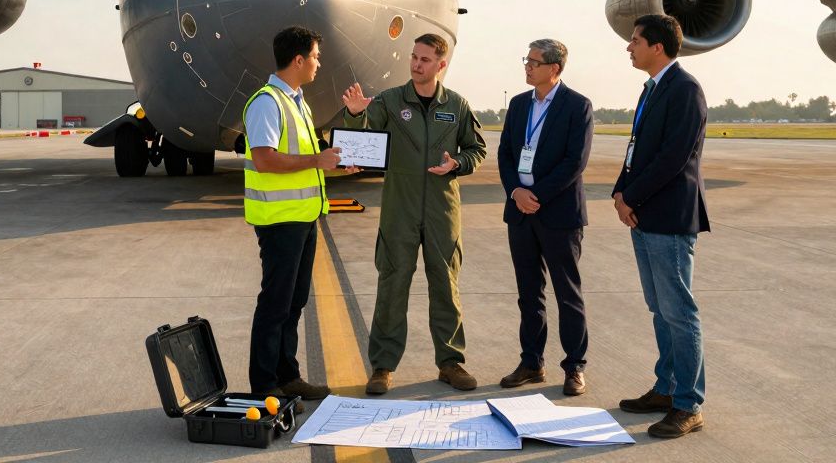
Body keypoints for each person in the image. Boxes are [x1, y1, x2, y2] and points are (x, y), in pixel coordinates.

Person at [341, 33, 487, 394]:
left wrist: (458, 163)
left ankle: (451, 362)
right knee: (392, 284)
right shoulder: (391, 101)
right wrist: (356, 113)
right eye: (414, 57)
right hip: (399, 208)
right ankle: (383, 367)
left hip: (442, 208)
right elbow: (360, 138)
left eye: (424, 60)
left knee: (446, 286)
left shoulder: (457, 104)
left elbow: (477, 149)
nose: (416, 64)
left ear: (441, 65)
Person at [242, 26, 353, 401]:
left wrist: (335, 162)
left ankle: (288, 376)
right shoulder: (267, 102)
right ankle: (265, 385)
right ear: (299, 59)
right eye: (317, 57)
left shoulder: (298, 101)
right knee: (275, 303)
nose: (320, 63)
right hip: (279, 220)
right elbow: (265, 159)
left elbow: (308, 155)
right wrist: (317, 160)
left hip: (304, 217)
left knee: (294, 302)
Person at [612, 13, 709, 439]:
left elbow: (674, 158)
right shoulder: (652, 89)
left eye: (635, 40)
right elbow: (636, 148)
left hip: (668, 216)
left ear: (657, 46)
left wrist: (632, 196)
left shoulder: (685, 90)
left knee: (679, 312)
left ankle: (689, 404)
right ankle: (667, 388)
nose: (629, 47)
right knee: (659, 308)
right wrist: (620, 191)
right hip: (645, 213)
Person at [497, 39, 593, 396]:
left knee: (567, 294)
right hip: (520, 213)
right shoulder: (519, 104)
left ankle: (574, 367)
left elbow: (574, 161)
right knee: (528, 293)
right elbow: (506, 153)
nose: (527, 67)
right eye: (527, 60)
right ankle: (531, 362)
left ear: (554, 68)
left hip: (558, 214)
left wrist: (536, 195)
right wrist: (516, 192)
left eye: (534, 62)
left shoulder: (577, 106)